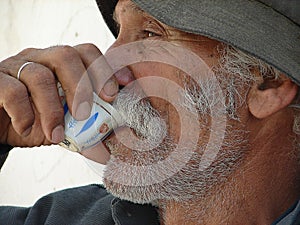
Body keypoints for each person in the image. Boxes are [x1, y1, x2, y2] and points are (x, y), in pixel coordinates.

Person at [0, 0, 299, 224]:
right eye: (119, 32)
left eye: (150, 33)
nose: (106, 67)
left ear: (267, 81)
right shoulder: (65, 218)